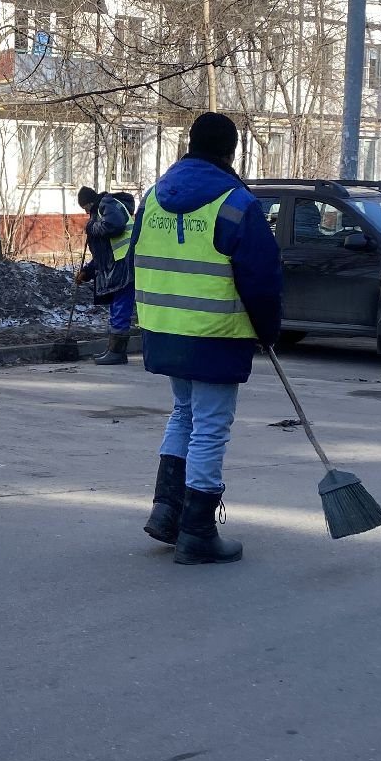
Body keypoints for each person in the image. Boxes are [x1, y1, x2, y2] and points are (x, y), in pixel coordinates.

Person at [129, 113, 283, 565]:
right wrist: (268, 330)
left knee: (183, 415)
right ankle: (197, 531)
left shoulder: (154, 197)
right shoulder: (235, 203)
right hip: (215, 333)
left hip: (164, 329)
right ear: (230, 151)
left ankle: (166, 511)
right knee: (211, 427)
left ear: (190, 144)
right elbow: (262, 277)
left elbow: (134, 257)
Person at [73, 185, 137, 365]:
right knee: (117, 308)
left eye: (85, 208)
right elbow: (104, 254)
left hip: (125, 265)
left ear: (89, 203)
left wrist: (91, 227)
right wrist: (87, 272)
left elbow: (115, 226)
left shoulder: (106, 204)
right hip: (119, 264)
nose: (86, 212)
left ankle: (116, 352)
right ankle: (113, 349)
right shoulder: (103, 210)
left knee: (120, 308)